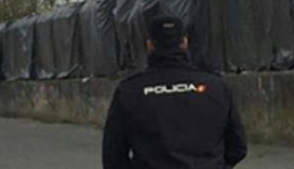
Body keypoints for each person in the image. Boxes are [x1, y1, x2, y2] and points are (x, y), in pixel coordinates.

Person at [102, 15, 248, 169]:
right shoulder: (216, 86)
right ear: (184, 43)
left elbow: (113, 155)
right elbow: (237, 147)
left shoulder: (129, 91)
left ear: (150, 45)